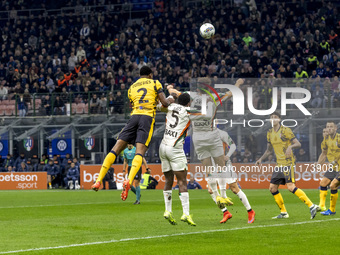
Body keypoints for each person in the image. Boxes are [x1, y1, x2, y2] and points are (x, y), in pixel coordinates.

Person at [91, 66, 174, 202]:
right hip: (146, 118)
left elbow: (134, 103)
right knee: (139, 152)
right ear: (150, 74)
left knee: (116, 149)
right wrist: (170, 99)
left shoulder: (132, 88)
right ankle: (128, 181)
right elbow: (164, 103)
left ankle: (98, 180)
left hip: (134, 117)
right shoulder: (155, 83)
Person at [256, 112, 318, 219]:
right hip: (279, 164)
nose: (273, 119)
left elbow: (298, 144)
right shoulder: (269, 133)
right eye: (271, 118)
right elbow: (269, 150)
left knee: (290, 187)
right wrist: (261, 159)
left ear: (279, 119)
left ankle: (311, 206)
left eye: (275, 117)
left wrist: (291, 147)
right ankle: (284, 213)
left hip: (288, 163)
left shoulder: (286, 131)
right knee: (272, 188)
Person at [158, 92, 196, 225]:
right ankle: (186, 214)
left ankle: (167, 211)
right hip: (175, 148)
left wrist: (170, 95)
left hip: (163, 147)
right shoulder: (189, 111)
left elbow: (160, 105)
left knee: (168, 180)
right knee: (182, 181)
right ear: (188, 102)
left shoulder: (170, 106)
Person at [213, 128, 255, 224]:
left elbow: (233, 145)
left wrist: (227, 156)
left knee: (234, 189)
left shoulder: (222, 134)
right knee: (211, 190)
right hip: (213, 165)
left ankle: (250, 211)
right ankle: (225, 212)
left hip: (225, 164)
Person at [317, 122, 340, 215]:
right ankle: (322, 206)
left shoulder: (338, 138)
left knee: (333, 185)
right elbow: (323, 153)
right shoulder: (326, 140)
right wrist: (319, 164)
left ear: (335, 128)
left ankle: (332, 210)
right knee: (323, 183)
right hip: (334, 168)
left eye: (331, 127)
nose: (329, 128)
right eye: (327, 127)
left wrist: (336, 160)